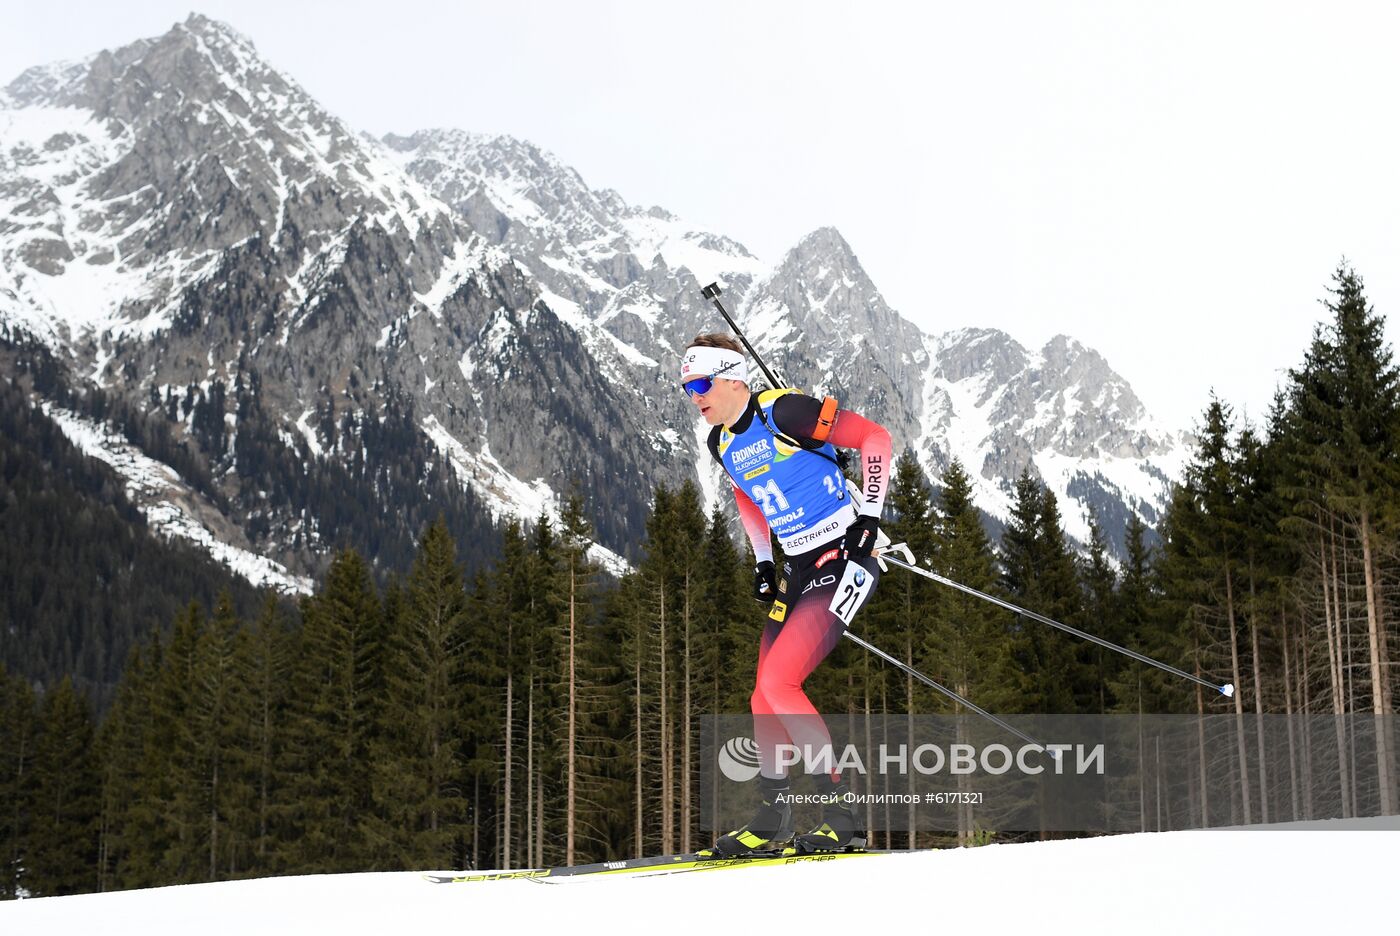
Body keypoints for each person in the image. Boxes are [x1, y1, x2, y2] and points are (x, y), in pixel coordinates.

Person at [680, 334, 892, 857]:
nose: (694, 397)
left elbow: (875, 438)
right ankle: (773, 818)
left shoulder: (785, 411)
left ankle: (843, 818)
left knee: (780, 681)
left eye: (701, 384)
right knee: (762, 695)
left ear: (733, 378)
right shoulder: (719, 442)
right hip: (796, 568)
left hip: (844, 557)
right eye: (687, 388)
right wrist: (763, 560)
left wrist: (869, 517)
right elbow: (746, 493)